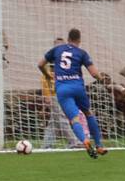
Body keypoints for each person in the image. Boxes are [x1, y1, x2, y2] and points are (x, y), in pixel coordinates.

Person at [37, 28, 108, 159]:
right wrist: (102, 78)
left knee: (74, 119)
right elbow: (94, 73)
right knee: (88, 113)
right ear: (79, 40)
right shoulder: (82, 53)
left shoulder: (57, 50)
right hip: (78, 87)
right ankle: (99, 145)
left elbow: (40, 64)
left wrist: (47, 75)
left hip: (62, 89)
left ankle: (84, 140)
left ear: (68, 38)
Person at [41, 37, 82, 149]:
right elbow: (44, 79)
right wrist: (47, 95)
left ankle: (46, 145)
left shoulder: (66, 61)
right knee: (62, 117)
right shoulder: (50, 61)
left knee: (54, 121)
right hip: (55, 94)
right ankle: (74, 142)